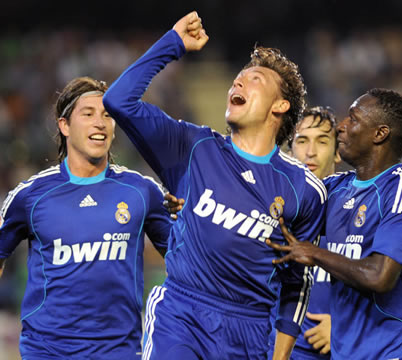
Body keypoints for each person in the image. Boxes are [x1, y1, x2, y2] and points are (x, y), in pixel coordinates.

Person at [103, 11, 326, 360]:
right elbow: (119, 100)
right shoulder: (193, 146)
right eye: (236, 79)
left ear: (280, 105)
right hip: (182, 313)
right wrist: (172, 44)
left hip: (251, 331)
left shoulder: (304, 190)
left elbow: (296, 285)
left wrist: (279, 357)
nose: (237, 84)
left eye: (254, 80)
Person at [266, 88, 402, 359]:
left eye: (353, 119)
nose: (341, 126)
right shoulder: (335, 189)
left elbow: (380, 276)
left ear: (380, 133)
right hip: (352, 354)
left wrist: (314, 253)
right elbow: (269, 215)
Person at [0, 76, 172, 359]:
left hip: (119, 352)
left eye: (107, 115)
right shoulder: (30, 196)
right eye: (88, 114)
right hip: (47, 353)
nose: (100, 123)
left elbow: (186, 259)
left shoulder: (143, 192)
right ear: (64, 125)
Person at [267, 106, 340, 360]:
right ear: (289, 150)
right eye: (302, 141)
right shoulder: (269, 209)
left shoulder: (355, 214)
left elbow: (388, 287)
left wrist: (342, 327)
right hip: (269, 349)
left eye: (322, 141)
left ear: (338, 152)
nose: (311, 151)